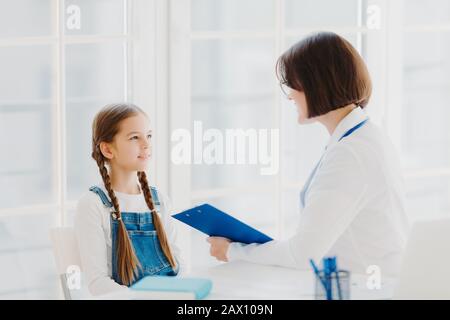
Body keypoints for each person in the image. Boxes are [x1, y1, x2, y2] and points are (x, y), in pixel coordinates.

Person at [207, 31, 410, 277]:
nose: (290, 94)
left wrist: (233, 251)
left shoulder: (350, 153)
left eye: (294, 84)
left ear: (318, 84)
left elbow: (303, 253)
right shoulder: (362, 138)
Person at [75, 103, 185, 296]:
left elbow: (179, 266)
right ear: (108, 150)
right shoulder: (93, 204)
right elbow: (98, 283)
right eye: (135, 137)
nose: (146, 145)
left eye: (149, 135)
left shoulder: (160, 201)